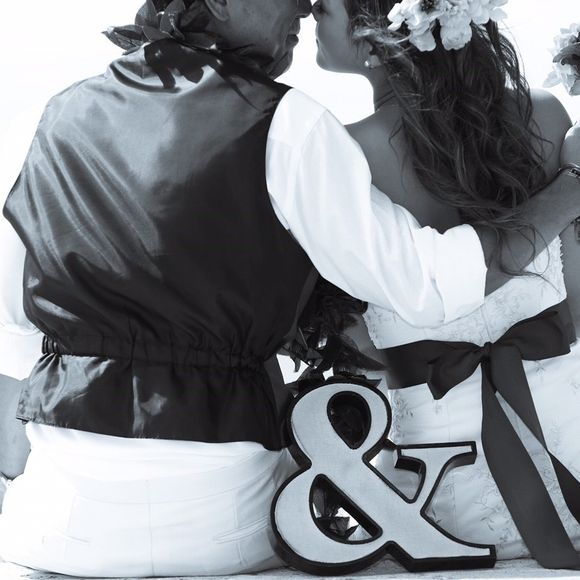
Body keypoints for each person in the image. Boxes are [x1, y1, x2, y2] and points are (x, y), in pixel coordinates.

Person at [0, 0, 580, 576]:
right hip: (228, 520)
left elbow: (14, 327)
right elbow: (427, 283)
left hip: (57, 521)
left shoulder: (54, 115)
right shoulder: (285, 123)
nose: (305, 5)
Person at [311, 0, 580, 569]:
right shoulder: (546, 116)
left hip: (437, 507)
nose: (311, 10)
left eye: (325, 5)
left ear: (374, 37)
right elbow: (575, 299)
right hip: (572, 455)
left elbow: (357, 341)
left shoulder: (346, 154)